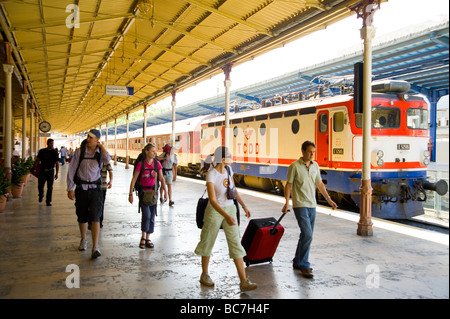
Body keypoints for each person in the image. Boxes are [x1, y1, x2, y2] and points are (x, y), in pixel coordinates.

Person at [194, 146, 257, 292]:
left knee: (235, 243)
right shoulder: (211, 174)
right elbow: (213, 200)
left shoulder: (229, 170)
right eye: (230, 156)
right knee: (208, 240)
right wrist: (226, 216)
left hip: (230, 208)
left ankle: (243, 281)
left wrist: (244, 206)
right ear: (223, 159)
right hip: (214, 211)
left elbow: (234, 191)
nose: (232, 159)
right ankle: (204, 274)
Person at [281, 140, 337, 279]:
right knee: (308, 234)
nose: (312, 154)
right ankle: (304, 264)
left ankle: (297, 261)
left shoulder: (315, 165)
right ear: (303, 152)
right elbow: (288, 185)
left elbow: (319, 183)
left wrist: (328, 199)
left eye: (314, 152)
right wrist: (287, 202)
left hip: (312, 204)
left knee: (306, 234)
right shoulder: (294, 166)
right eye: (310, 152)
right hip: (300, 204)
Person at [67, 129, 112, 259]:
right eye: (88, 137)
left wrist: (102, 147)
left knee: (95, 217)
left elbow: (108, 159)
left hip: (96, 189)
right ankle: (83, 239)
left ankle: (95, 247)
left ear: (97, 139)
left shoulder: (100, 154)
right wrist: (70, 188)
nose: (88, 139)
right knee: (81, 216)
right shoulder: (79, 152)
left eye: (92, 137)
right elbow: (72, 170)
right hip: (81, 188)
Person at [129, 143, 168, 249]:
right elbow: (134, 179)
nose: (155, 153)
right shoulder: (141, 164)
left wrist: (165, 192)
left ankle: (148, 237)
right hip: (143, 193)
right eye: (152, 151)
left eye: (155, 151)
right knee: (146, 214)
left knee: (151, 216)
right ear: (146, 152)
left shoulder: (157, 164)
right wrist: (130, 193)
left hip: (154, 193)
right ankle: (143, 237)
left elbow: (161, 179)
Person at [88, 160, 113, 229]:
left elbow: (110, 172)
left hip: (97, 186)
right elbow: (110, 172)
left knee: (92, 204)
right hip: (99, 186)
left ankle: (92, 222)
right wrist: (110, 181)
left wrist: (110, 181)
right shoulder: (105, 161)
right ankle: (99, 222)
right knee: (100, 205)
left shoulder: (94, 160)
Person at [36, 139, 59, 206]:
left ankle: (48, 201)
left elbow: (57, 163)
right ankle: (41, 194)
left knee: (50, 187)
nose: (52, 145)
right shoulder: (42, 151)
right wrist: (35, 168)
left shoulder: (55, 152)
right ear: (47, 143)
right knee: (40, 185)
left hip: (50, 171)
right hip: (42, 171)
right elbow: (38, 160)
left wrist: (56, 174)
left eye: (53, 143)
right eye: (51, 143)